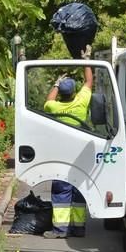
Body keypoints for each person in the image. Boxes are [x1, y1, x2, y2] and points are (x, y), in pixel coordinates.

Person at [42, 45, 92, 239]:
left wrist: (56, 83)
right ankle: (79, 228)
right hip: (81, 154)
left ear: (61, 93)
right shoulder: (80, 103)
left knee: (62, 192)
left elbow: (48, 101)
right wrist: (86, 60)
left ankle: (60, 230)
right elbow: (89, 81)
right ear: (73, 92)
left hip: (62, 155)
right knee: (79, 191)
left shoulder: (54, 108)